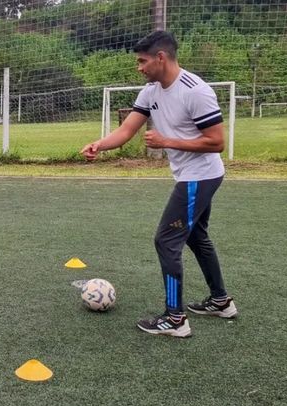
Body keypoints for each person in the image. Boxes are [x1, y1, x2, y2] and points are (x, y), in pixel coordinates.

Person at [80, 31, 237, 338]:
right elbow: (126, 131)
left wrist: (167, 141)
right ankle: (221, 301)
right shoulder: (151, 91)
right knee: (195, 236)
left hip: (200, 176)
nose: (139, 68)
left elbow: (217, 142)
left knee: (166, 241)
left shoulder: (196, 91)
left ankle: (175, 319)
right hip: (191, 175)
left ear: (161, 58)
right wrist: (99, 144)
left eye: (142, 61)